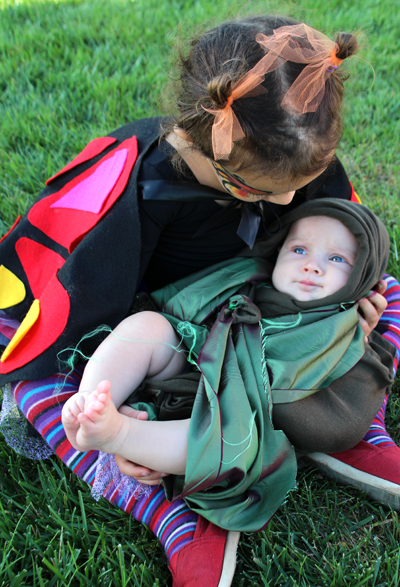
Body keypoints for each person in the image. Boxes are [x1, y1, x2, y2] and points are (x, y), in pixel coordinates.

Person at [0, 16, 399, 585]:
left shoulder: (288, 146)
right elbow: (78, 301)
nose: (288, 199)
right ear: (197, 141)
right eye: (261, 190)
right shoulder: (136, 183)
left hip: (263, 298)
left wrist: (351, 304)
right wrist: (112, 400)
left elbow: (340, 230)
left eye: (301, 180)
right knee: (44, 385)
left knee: (386, 294)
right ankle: (167, 509)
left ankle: (358, 422)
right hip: (160, 316)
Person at [60, 198, 395, 534]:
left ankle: (119, 433)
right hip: (192, 365)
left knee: (228, 442)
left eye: (336, 258)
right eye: (298, 250)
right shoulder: (246, 282)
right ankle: (91, 402)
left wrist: (348, 351)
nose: (311, 266)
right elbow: (183, 313)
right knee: (149, 326)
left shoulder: (350, 338)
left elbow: (340, 420)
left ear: (362, 275)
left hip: (240, 417)